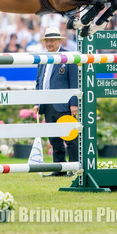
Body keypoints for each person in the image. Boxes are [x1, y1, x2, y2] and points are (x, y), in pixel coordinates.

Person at [32, 27, 78, 176]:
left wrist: (74, 103)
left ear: (59, 41)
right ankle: (59, 169)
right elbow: (39, 82)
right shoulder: (43, 59)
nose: (49, 43)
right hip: (47, 104)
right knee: (54, 140)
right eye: (47, 40)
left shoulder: (68, 57)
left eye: (52, 40)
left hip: (64, 104)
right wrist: (37, 102)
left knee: (70, 138)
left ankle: (73, 168)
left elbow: (74, 82)